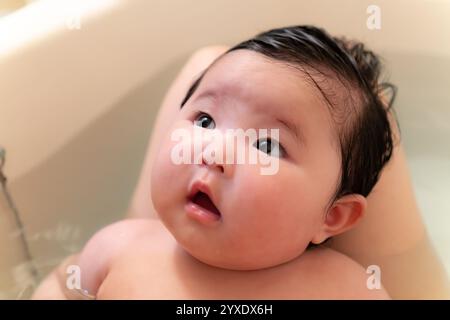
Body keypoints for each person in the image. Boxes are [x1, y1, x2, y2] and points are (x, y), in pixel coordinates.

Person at [33, 25, 449, 299]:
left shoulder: (345, 289)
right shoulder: (120, 248)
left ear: (334, 217)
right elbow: (60, 290)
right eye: (206, 120)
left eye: (267, 146)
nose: (215, 153)